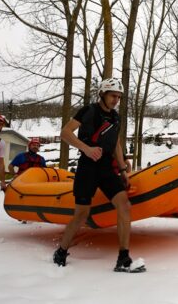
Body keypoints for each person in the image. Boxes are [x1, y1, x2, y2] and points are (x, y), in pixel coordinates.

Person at [52, 77, 144, 273]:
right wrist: (86, 149)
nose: (116, 100)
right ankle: (61, 251)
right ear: (102, 93)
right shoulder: (88, 111)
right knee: (81, 214)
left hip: (107, 169)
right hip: (87, 167)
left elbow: (116, 143)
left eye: (119, 97)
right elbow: (65, 133)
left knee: (124, 205)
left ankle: (123, 258)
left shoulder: (116, 117)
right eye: (113, 96)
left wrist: (121, 166)